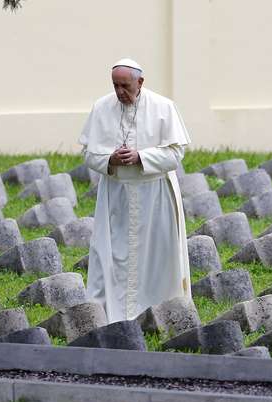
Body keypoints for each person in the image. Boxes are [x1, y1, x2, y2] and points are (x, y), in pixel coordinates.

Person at [79, 58, 191, 323]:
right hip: (116, 194)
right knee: (111, 256)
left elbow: (176, 154)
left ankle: (158, 314)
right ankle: (110, 315)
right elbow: (88, 152)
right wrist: (110, 159)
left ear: (140, 82)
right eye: (115, 86)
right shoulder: (101, 107)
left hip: (155, 195)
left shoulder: (164, 107)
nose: (120, 92)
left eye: (125, 86)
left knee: (157, 260)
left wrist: (142, 157)